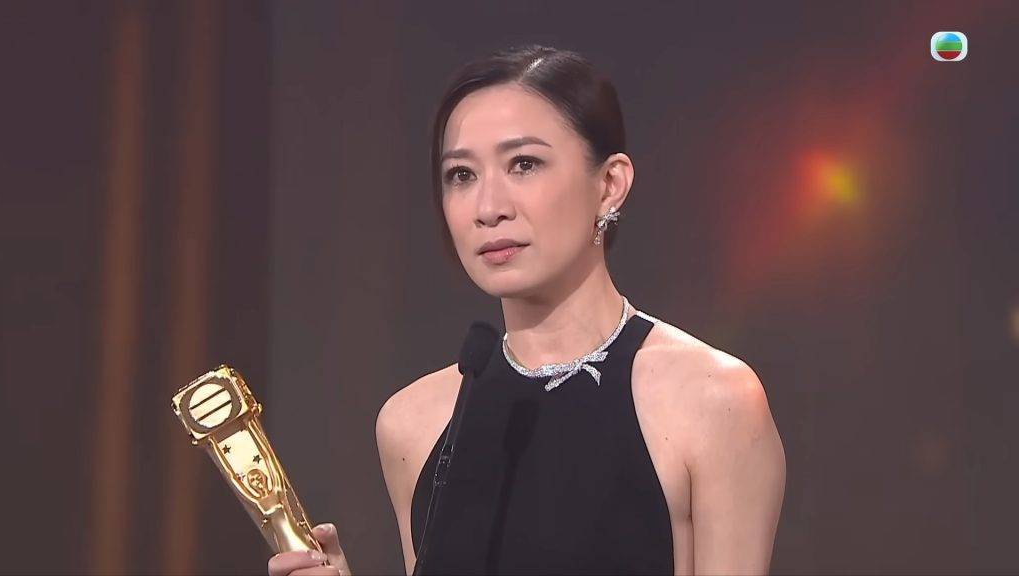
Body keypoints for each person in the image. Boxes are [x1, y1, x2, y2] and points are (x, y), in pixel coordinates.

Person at [268, 44, 786, 576]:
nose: (489, 208)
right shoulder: (414, 423)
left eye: (524, 164)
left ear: (610, 185)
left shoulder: (711, 401)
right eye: (461, 175)